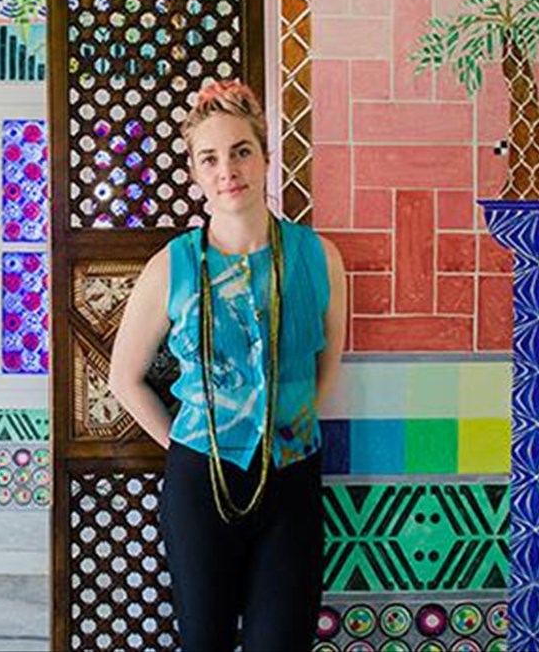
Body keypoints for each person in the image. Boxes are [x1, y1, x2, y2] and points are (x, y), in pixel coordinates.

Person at [108, 78, 347, 651]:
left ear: (265, 157)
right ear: (194, 171)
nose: (227, 170)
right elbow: (124, 378)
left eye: (241, 151)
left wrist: (287, 429)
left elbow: (327, 365)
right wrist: (186, 446)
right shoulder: (172, 266)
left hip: (292, 478)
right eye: (210, 158)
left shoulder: (319, 257)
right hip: (201, 484)